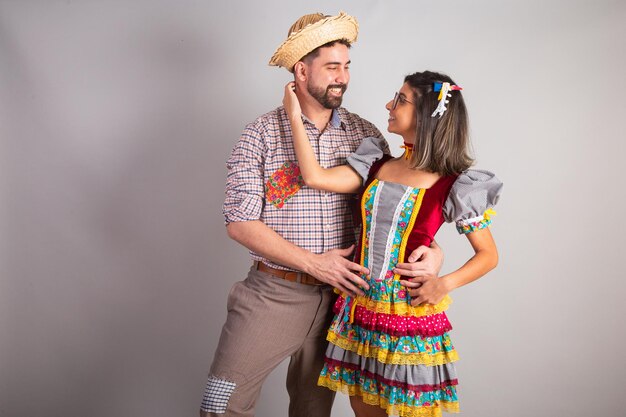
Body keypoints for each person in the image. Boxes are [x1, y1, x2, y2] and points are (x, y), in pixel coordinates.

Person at [200, 13, 444, 417]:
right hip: (275, 293)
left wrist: (433, 251)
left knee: (314, 412)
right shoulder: (258, 135)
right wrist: (316, 264)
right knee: (220, 404)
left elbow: (398, 207)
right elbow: (240, 222)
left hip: (347, 300)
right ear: (301, 70)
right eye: (332, 67)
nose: (343, 77)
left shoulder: (366, 136)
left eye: (347, 66)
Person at [282, 70, 502, 417]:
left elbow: (488, 255)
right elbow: (315, 177)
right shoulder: (376, 164)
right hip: (361, 308)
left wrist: (443, 283)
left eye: (400, 100)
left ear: (428, 114)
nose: (389, 104)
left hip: (407, 314)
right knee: (365, 410)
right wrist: (294, 116)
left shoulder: (454, 183)